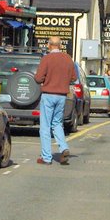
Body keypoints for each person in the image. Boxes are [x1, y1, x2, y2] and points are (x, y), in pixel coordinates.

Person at [34, 36, 76, 165]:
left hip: (48, 94)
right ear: (60, 45)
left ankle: (46, 157)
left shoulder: (46, 59)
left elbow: (38, 78)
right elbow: (73, 78)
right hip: (62, 96)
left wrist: (46, 79)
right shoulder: (68, 59)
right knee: (57, 123)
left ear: (49, 45)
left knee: (45, 126)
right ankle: (63, 147)